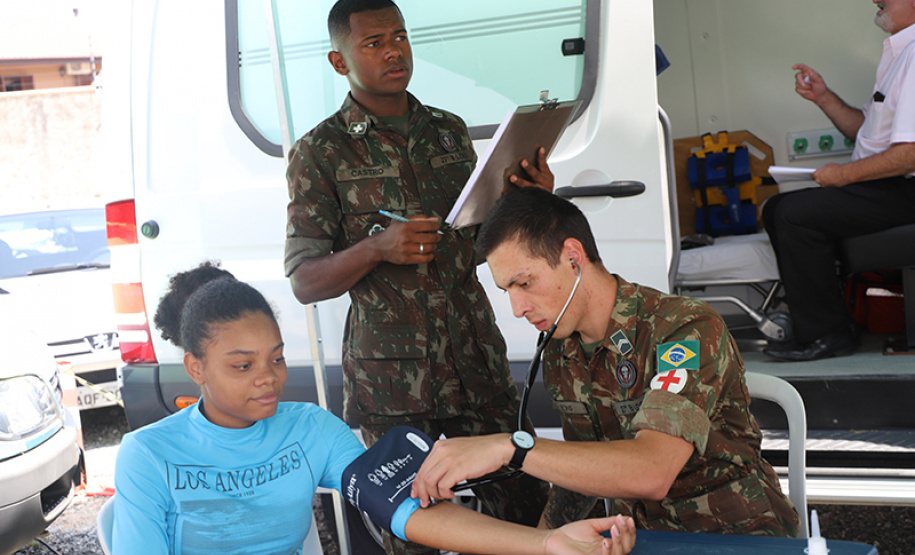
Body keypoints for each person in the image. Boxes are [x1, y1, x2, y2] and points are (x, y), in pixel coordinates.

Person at [111, 262, 636, 555]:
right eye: (242, 366)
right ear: (196, 369)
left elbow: (410, 513)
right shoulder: (149, 454)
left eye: (275, 358)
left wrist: (546, 544)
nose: (269, 377)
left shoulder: (308, 428)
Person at [284, 1, 551, 552]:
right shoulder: (321, 152)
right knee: (414, 530)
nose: (394, 51)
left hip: (476, 361)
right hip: (393, 384)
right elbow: (305, 281)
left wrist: (529, 203)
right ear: (340, 61)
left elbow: (478, 245)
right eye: (374, 42)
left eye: (400, 37)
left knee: (525, 510)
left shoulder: (448, 132)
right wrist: (377, 248)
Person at [411, 187, 801, 537]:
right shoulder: (562, 349)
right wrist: (544, 542)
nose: (517, 308)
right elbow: (582, 475)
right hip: (638, 538)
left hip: (734, 533)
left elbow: (653, 471)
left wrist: (510, 449)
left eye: (525, 283)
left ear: (573, 257)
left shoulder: (683, 328)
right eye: (507, 290)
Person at [762, 0, 915, 362]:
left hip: (906, 188)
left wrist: (843, 175)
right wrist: (824, 98)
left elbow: (910, 153)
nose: (876, 0)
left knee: (792, 214)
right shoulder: (899, 53)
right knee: (778, 208)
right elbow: (867, 132)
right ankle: (824, 320)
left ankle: (828, 334)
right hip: (888, 184)